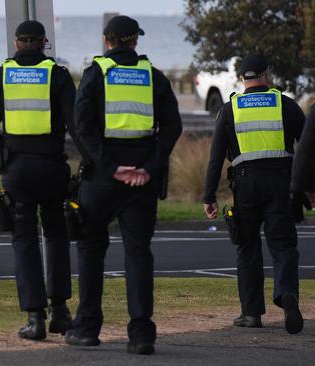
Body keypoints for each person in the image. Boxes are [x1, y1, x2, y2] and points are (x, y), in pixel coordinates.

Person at [65, 16, 182, 354]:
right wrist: (148, 167)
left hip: (102, 177)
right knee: (139, 253)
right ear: (135, 42)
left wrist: (112, 167)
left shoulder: (95, 74)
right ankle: (142, 334)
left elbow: (82, 126)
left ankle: (86, 327)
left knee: (89, 248)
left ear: (107, 41)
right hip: (142, 181)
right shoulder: (153, 77)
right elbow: (172, 128)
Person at [0, 20, 74, 340]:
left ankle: (34, 317)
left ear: (16, 43)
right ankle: (60, 311)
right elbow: (77, 122)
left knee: (24, 240)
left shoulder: (2, 74)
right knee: (56, 234)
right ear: (44, 42)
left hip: (17, 170)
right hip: (53, 166)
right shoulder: (57, 75)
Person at [203, 55, 304, 335]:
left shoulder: (230, 109)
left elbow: (215, 159)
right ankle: (286, 294)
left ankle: (251, 314)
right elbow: (308, 148)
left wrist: (208, 195)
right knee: (283, 245)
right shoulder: (285, 105)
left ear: (241, 78)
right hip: (281, 183)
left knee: (247, 246)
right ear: (266, 74)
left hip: (245, 185)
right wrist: (308, 187)